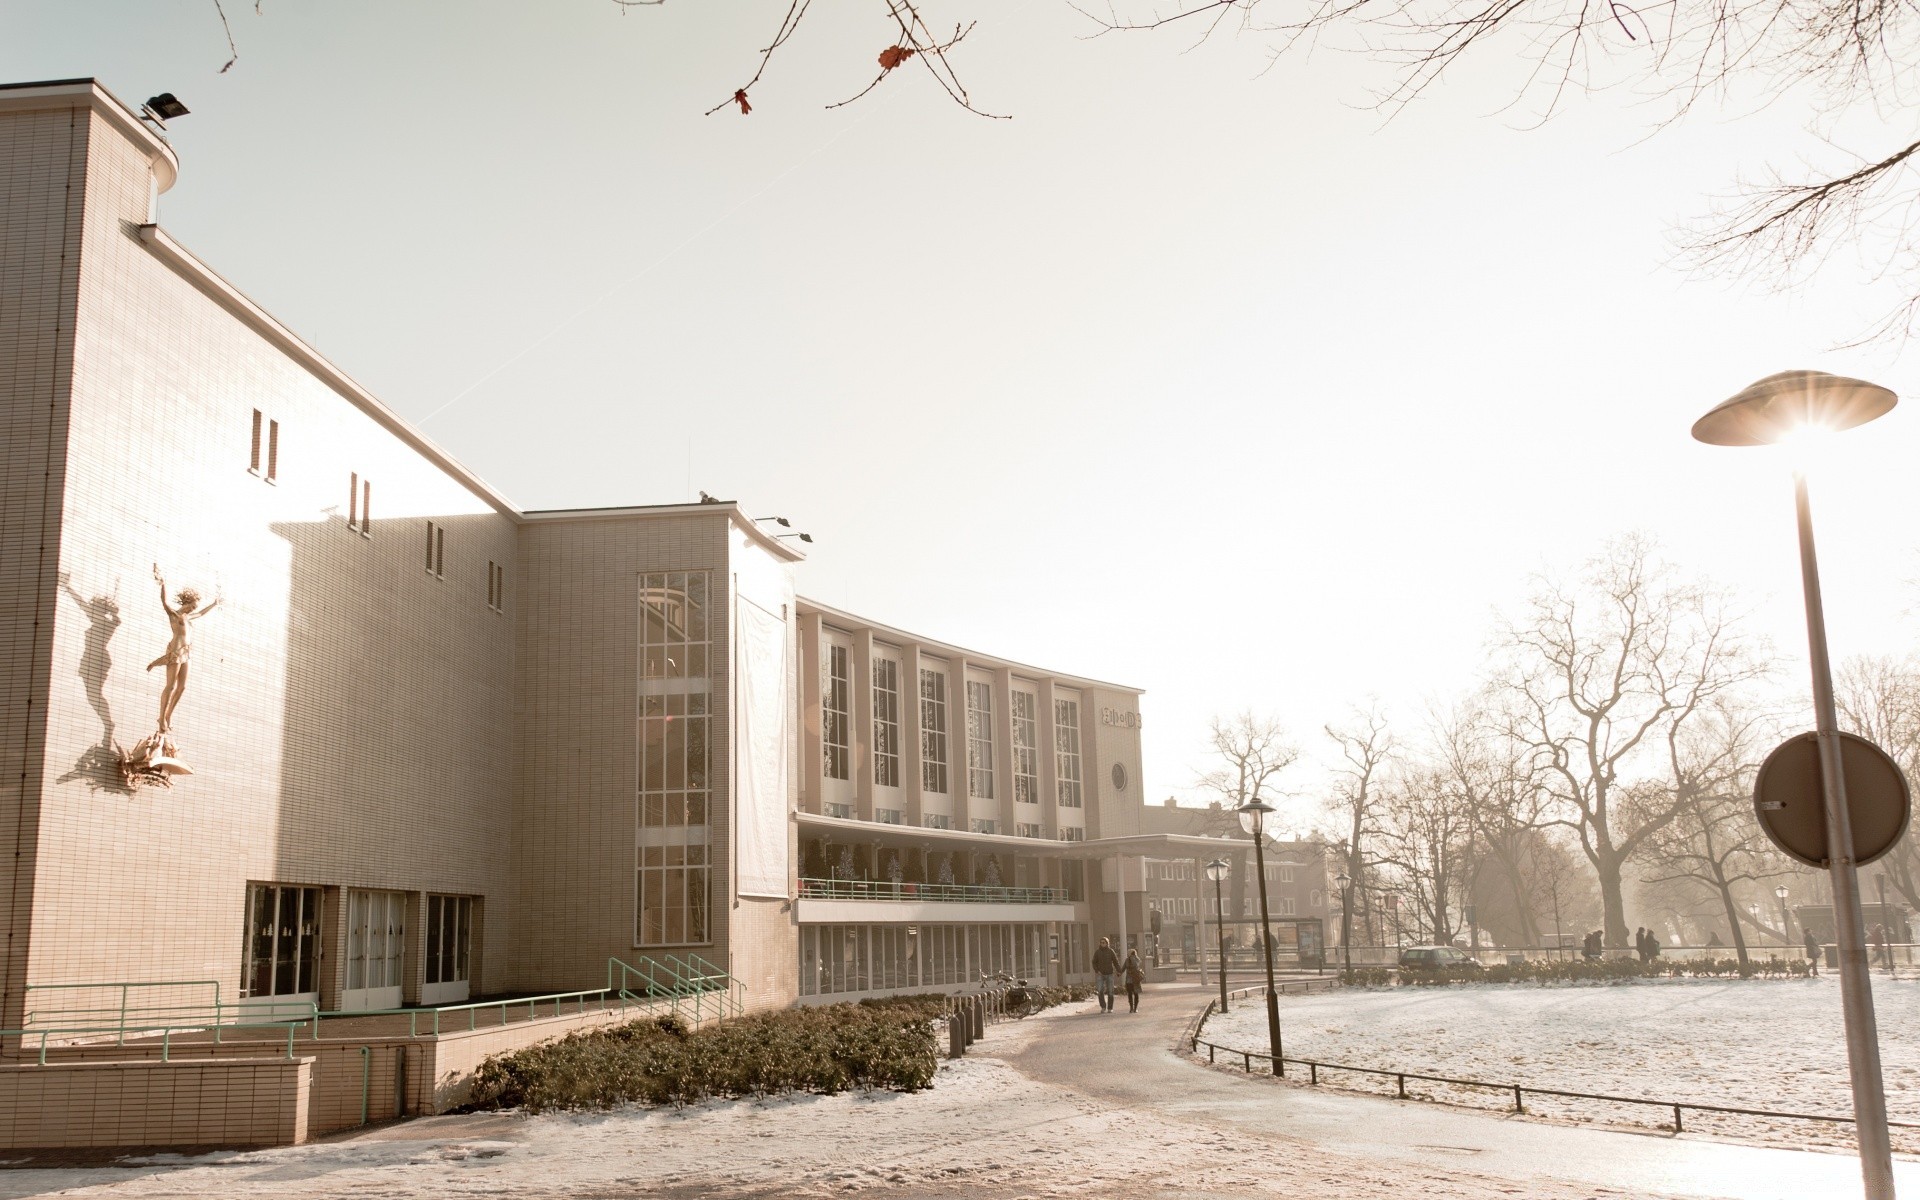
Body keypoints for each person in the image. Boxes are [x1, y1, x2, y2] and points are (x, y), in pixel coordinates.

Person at [146, 564, 219, 733]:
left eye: (194, 607)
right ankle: (162, 717)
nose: (193, 609)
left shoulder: (190, 616)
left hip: (186, 652)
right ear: (186, 602)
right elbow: (164, 601)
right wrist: (163, 584)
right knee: (170, 686)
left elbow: (201, 614)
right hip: (175, 652)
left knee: (182, 687)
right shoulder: (175, 615)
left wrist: (214, 604)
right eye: (192, 606)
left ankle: (167, 716)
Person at [1092, 937, 1119, 1013]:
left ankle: (1110, 1008)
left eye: (1104, 942)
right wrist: (1097, 970)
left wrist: (1119, 971)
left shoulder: (1111, 951)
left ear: (1107, 943)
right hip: (1100, 974)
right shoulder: (1097, 952)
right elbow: (1094, 962)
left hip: (1109, 973)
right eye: (1101, 942)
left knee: (1110, 991)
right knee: (1100, 991)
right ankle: (1103, 1007)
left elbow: (1115, 962)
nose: (1102, 944)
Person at [1122, 948, 1145, 1013]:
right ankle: (1135, 1008)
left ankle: (1131, 1008)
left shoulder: (1129, 959)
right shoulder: (1137, 959)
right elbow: (1137, 966)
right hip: (1135, 979)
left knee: (1130, 994)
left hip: (1130, 980)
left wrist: (1119, 972)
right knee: (1135, 994)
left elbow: (1123, 968)